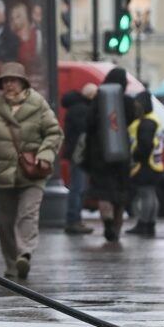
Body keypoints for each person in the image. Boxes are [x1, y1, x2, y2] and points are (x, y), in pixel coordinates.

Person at [0, 62, 62, 279]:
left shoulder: (38, 105)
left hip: (32, 173)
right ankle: (11, 264)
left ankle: (25, 254)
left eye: (13, 80)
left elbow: (54, 133)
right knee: (5, 222)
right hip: (2, 174)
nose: (9, 85)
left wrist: (45, 155)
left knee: (28, 214)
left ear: (23, 83)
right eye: (5, 81)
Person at [83, 67, 137, 243]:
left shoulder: (99, 98)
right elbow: (133, 118)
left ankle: (107, 222)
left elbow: (89, 123)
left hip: (99, 154)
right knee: (120, 195)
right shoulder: (128, 101)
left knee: (103, 192)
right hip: (121, 153)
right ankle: (117, 228)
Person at [126, 90, 164, 237]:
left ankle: (144, 224)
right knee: (151, 195)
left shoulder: (146, 123)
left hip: (146, 164)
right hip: (155, 163)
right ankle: (150, 223)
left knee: (146, 194)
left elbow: (144, 145)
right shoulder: (154, 120)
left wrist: (136, 156)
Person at [61, 82, 97, 234]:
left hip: (76, 153)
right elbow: (86, 131)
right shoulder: (82, 109)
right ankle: (74, 220)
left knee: (78, 187)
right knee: (78, 187)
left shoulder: (75, 108)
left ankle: (75, 219)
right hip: (80, 154)